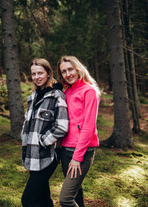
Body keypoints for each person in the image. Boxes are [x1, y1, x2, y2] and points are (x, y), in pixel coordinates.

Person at [21, 58, 69, 207]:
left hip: (47, 155)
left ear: (48, 73)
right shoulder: (34, 96)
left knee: (28, 200)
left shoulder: (57, 95)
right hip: (31, 154)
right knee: (42, 198)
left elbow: (62, 126)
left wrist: (43, 141)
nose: (37, 77)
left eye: (40, 73)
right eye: (33, 74)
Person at [57, 56, 101, 207]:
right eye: (64, 71)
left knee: (65, 199)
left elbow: (89, 127)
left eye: (70, 69)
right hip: (65, 150)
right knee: (76, 192)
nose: (68, 74)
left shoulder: (89, 91)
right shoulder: (67, 91)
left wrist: (77, 157)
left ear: (78, 68)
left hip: (82, 152)